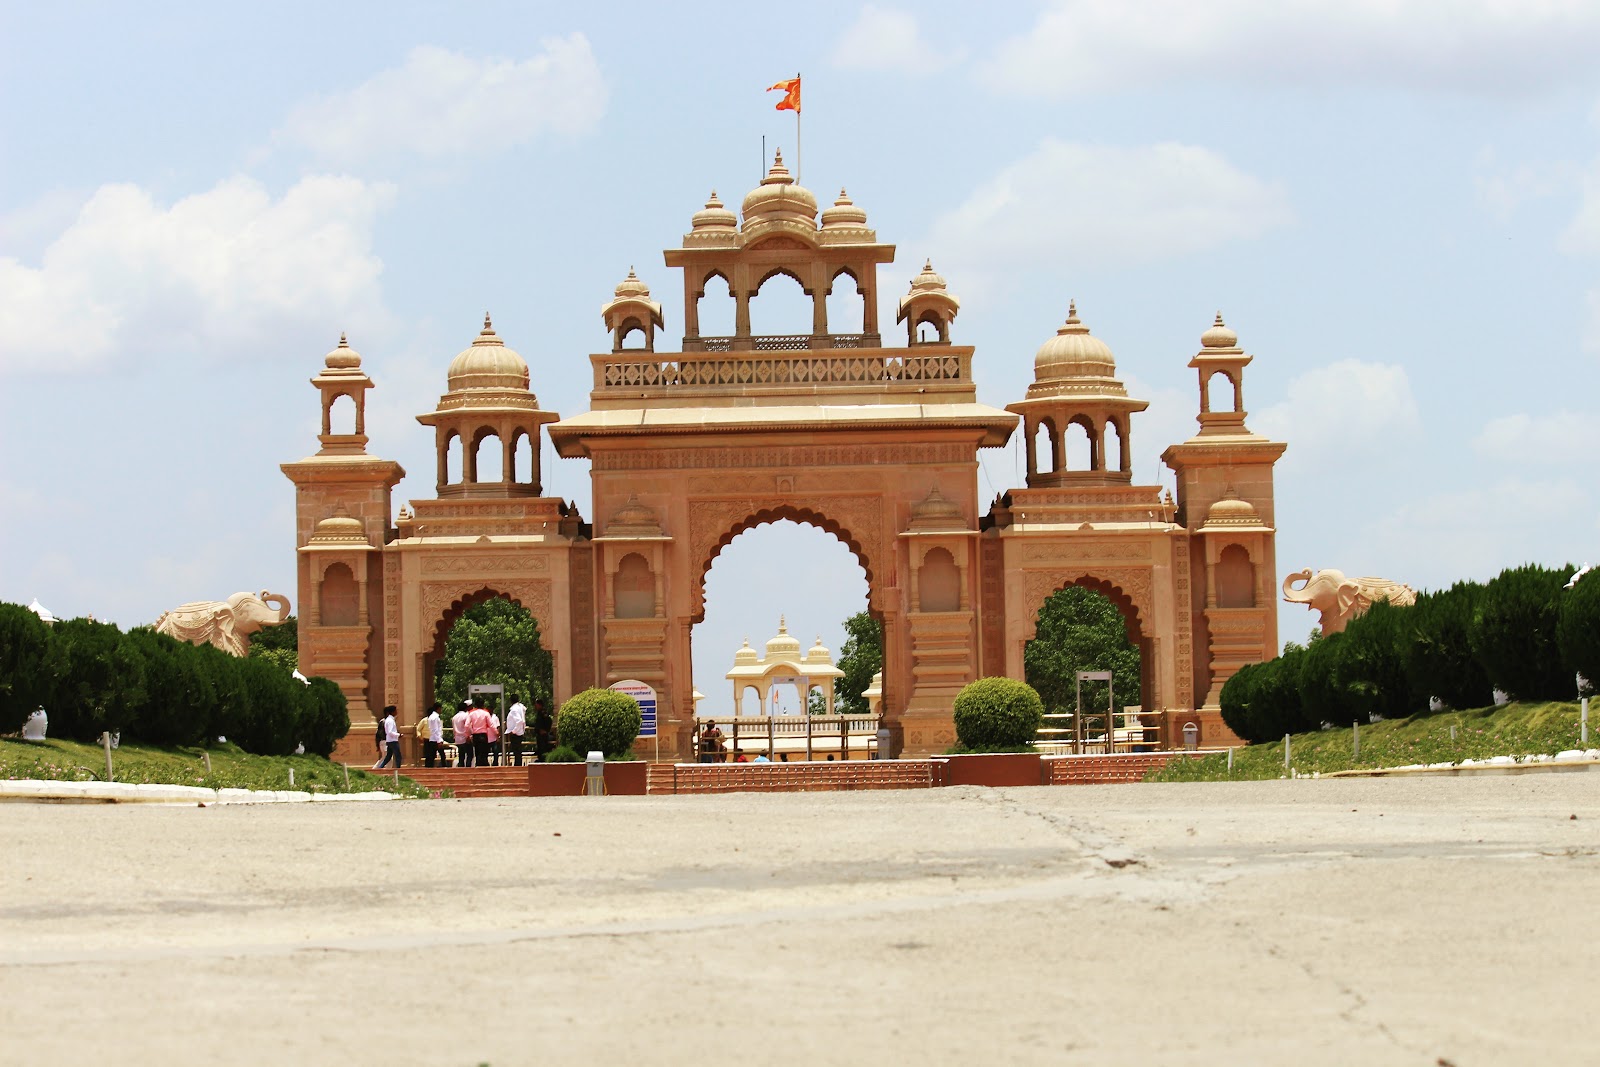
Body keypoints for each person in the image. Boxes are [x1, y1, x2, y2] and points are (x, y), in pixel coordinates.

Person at [467, 699, 492, 769]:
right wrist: (496, 733)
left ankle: (478, 767)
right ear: (483, 704)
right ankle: (484, 768)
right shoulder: (486, 713)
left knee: (477, 752)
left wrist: (468, 734)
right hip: (483, 734)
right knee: (484, 752)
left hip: (475, 735)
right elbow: (491, 725)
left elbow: (466, 725)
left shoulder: (471, 713)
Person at [504, 698, 527, 767]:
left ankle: (518, 765)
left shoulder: (514, 710)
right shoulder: (521, 707)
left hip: (516, 732)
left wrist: (513, 731)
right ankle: (518, 764)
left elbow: (519, 720)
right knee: (518, 750)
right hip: (520, 731)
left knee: (516, 750)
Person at [452, 700, 474, 768]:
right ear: (465, 708)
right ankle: (468, 768)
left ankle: (461, 768)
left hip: (458, 739)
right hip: (465, 738)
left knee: (461, 755)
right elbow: (468, 726)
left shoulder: (454, 717)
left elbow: (454, 729)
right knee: (470, 754)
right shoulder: (466, 715)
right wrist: (469, 735)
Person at [423, 702, 444, 768]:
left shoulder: (431, 717)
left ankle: (429, 768)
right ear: (438, 708)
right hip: (436, 739)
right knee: (442, 755)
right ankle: (444, 768)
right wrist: (439, 740)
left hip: (433, 738)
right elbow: (435, 730)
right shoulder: (435, 717)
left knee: (431, 756)